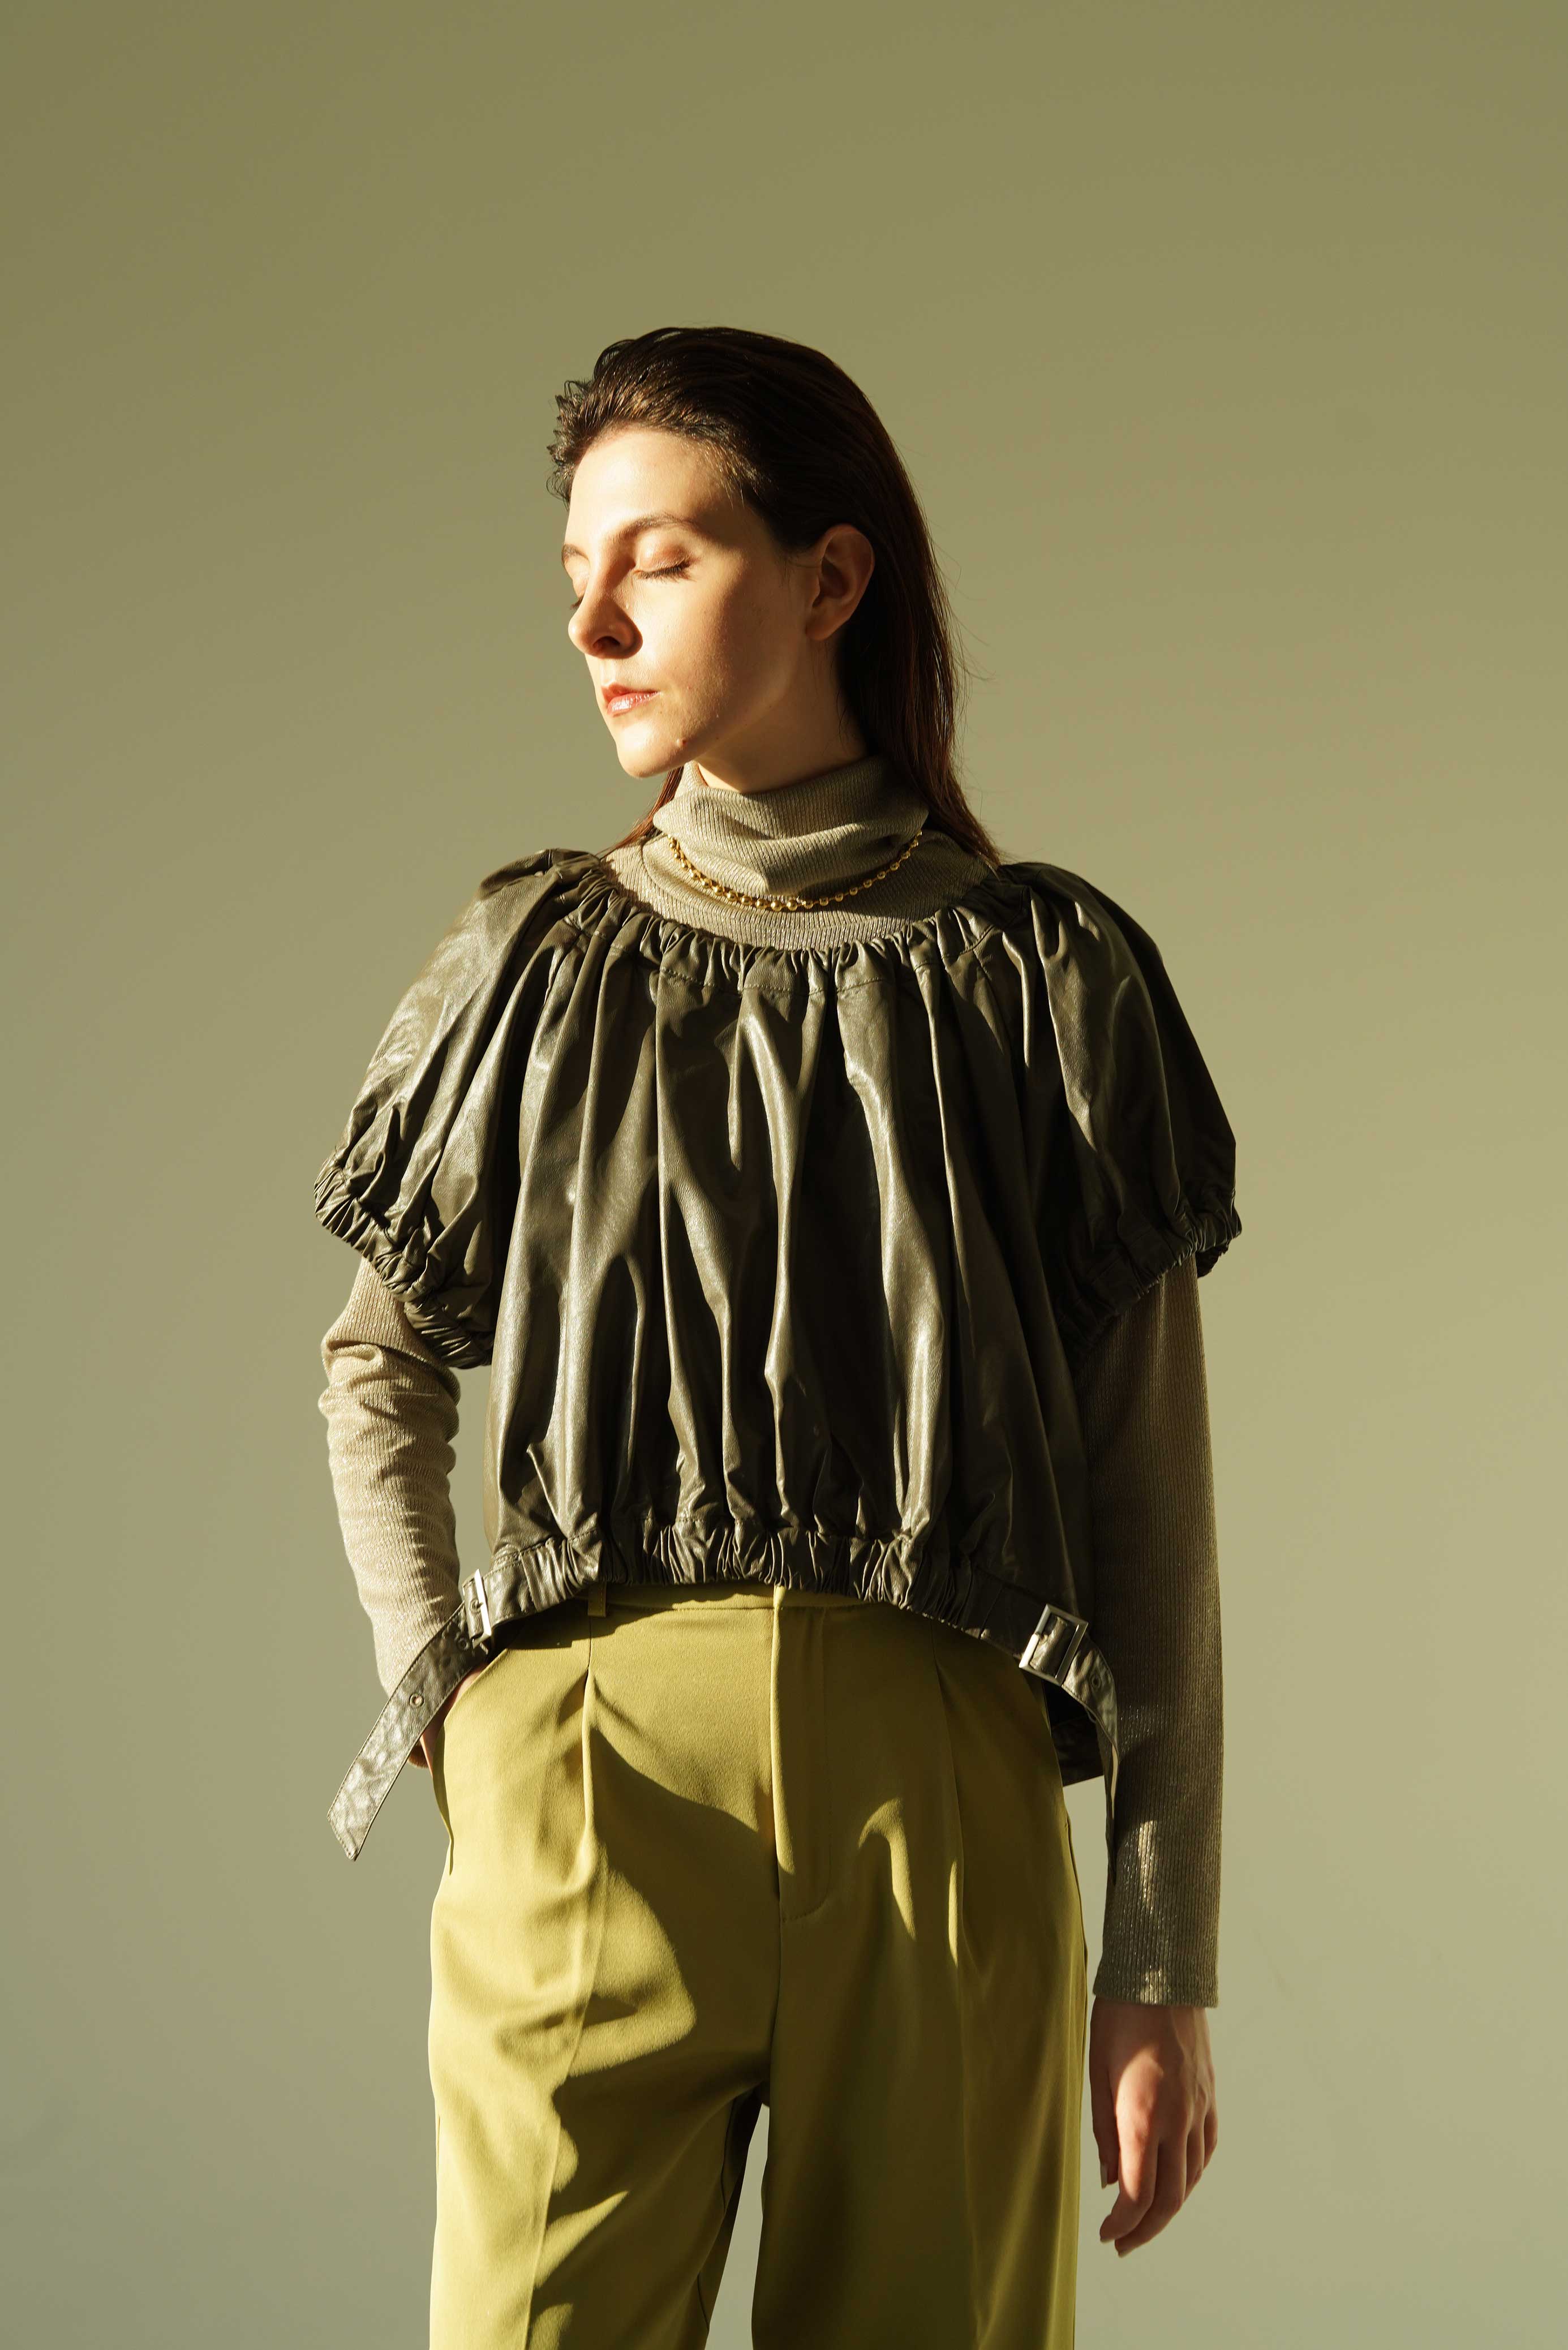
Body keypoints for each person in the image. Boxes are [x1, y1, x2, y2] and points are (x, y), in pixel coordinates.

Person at [313, 325, 1240, 2348]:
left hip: (941, 1793)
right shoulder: (528, 960)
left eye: (657, 559)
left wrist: (1158, 1954)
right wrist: (455, 1701)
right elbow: (379, 1359)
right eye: (577, 572)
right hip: (586, 1767)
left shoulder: (1045, 977)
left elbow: (1145, 1490)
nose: (594, 622)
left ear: (830, 578)